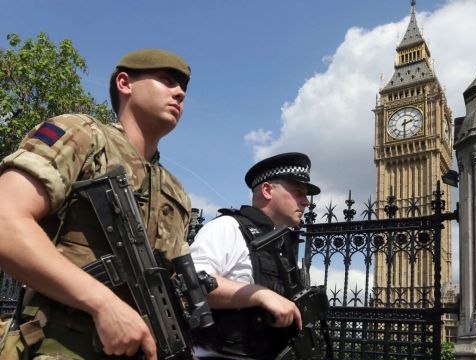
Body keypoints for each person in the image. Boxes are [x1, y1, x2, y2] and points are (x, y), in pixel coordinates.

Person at [0, 48, 193, 359]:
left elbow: (176, 280)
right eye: (167, 80)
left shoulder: (175, 191)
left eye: (183, 88)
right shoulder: (82, 135)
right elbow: (5, 222)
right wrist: (102, 303)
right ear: (125, 83)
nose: (180, 93)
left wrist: (259, 295)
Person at [190, 152, 321, 359]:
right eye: (298, 192)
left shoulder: (281, 245)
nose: (306, 202)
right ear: (267, 190)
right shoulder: (228, 227)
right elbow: (191, 286)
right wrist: (260, 294)